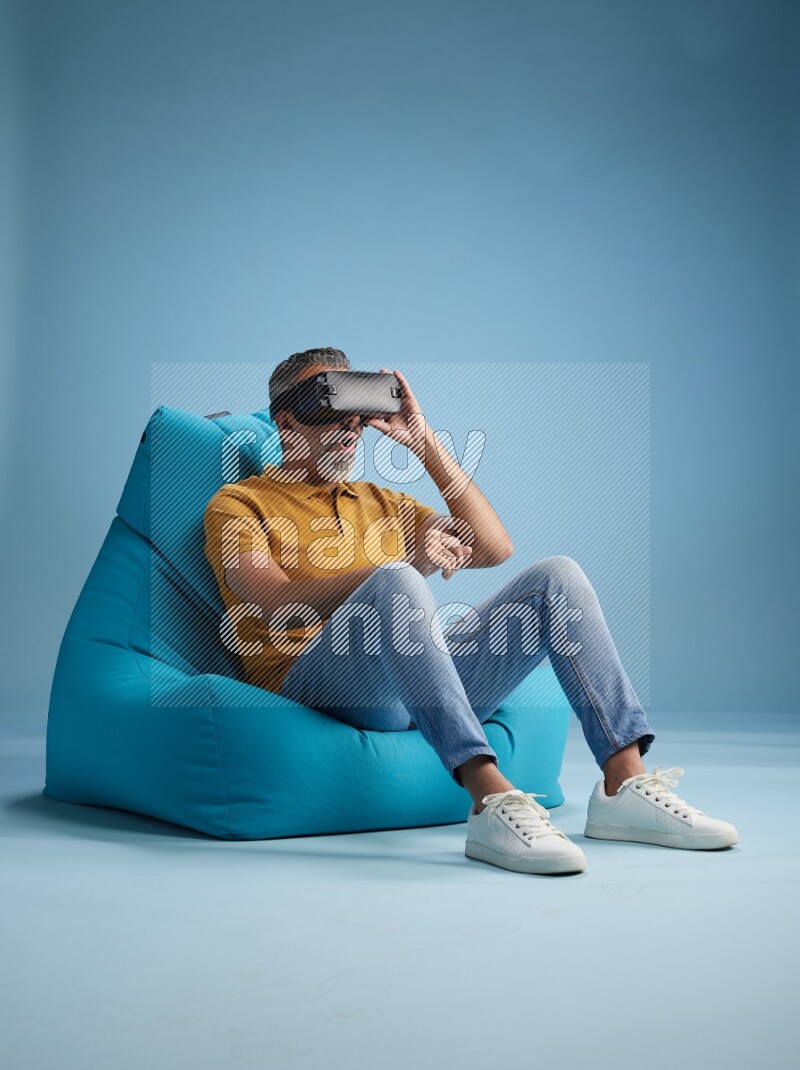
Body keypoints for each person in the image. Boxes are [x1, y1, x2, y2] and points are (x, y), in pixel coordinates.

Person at [204, 347, 739, 875]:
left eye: (355, 409)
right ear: (286, 420)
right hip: (319, 684)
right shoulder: (239, 503)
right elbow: (268, 597)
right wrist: (398, 566)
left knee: (557, 577)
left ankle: (623, 782)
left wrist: (423, 441)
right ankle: (488, 799)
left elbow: (492, 547)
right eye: (327, 406)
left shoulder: (380, 502)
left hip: (414, 682)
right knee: (395, 576)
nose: (348, 425)